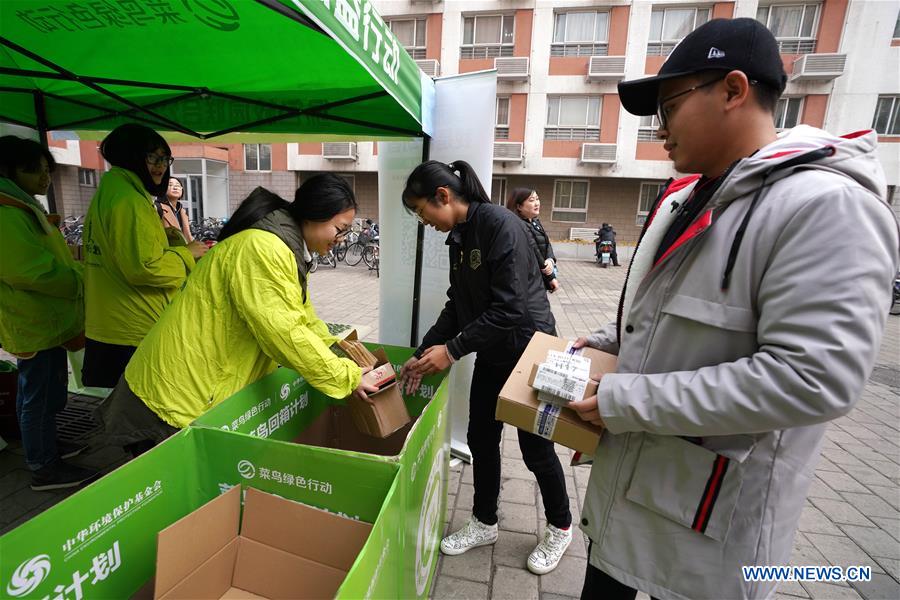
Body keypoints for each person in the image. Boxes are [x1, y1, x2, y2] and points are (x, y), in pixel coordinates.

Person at [568, 18, 900, 600]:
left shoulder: (826, 206)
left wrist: (624, 400)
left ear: (733, 90)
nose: (660, 128)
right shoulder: (687, 198)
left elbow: (813, 379)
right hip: (628, 490)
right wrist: (606, 344)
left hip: (713, 528)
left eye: (669, 105)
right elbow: (672, 311)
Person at [98, 177, 378, 456]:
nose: (340, 240)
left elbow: (305, 320)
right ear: (314, 215)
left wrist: (342, 355)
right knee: (171, 489)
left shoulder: (284, 249)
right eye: (339, 230)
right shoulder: (263, 249)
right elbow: (283, 331)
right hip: (173, 394)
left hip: (189, 386)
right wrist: (347, 377)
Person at [399, 161, 573, 575]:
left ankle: (561, 525)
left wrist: (453, 351)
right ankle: (484, 521)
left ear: (443, 196)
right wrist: (425, 350)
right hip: (494, 350)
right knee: (480, 437)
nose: (426, 223)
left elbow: (510, 308)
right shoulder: (459, 238)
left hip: (529, 350)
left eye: (424, 213)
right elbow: (458, 306)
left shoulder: (499, 225)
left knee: (535, 448)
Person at [0, 135, 99, 490]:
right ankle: (44, 466)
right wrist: (79, 280)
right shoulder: (6, 211)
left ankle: (48, 448)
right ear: (9, 170)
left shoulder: (22, 206)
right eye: (34, 170)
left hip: (48, 320)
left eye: (47, 170)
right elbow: (27, 270)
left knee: (49, 392)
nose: (44, 178)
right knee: (38, 397)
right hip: (34, 320)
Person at [81, 124, 208, 389]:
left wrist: (170, 242)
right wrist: (187, 253)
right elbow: (144, 268)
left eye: (164, 158)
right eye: (153, 157)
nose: (161, 166)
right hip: (130, 330)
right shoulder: (129, 201)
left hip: (111, 323)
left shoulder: (112, 190)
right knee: (137, 416)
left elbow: (126, 255)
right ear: (131, 156)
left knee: (120, 413)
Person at [507, 188, 559, 292]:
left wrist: (550, 259)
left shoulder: (536, 222)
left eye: (537, 199)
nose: (536, 203)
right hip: (528, 278)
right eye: (531, 200)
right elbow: (534, 250)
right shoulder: (519, 225)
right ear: (519, 206)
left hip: (540, 275)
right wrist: (550, 276)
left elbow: (547, 243)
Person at [156, 177, 193, 243]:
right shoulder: (157, 208)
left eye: (178, 185)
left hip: (185, 250)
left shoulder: (182, 211)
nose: (175, 188)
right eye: (170, 185)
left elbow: (187, 236)